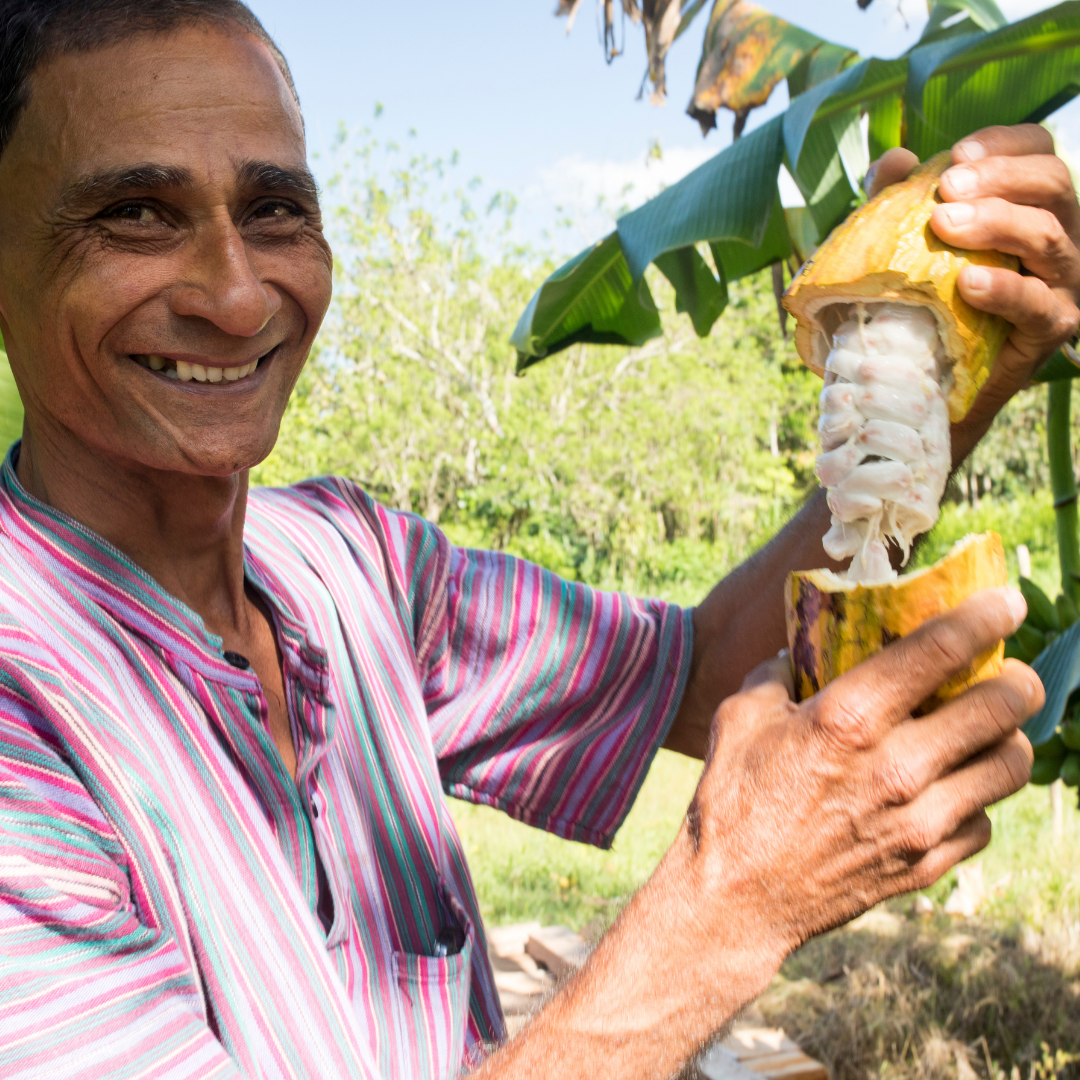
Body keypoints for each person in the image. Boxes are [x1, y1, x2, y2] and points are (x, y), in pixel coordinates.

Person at [0, 1, 1070, 1077]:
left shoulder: (352, 563)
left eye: (275, 209)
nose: (237, 295)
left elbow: (692, 674)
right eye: (135, 214)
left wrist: (928, 372)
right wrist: (731, 905)